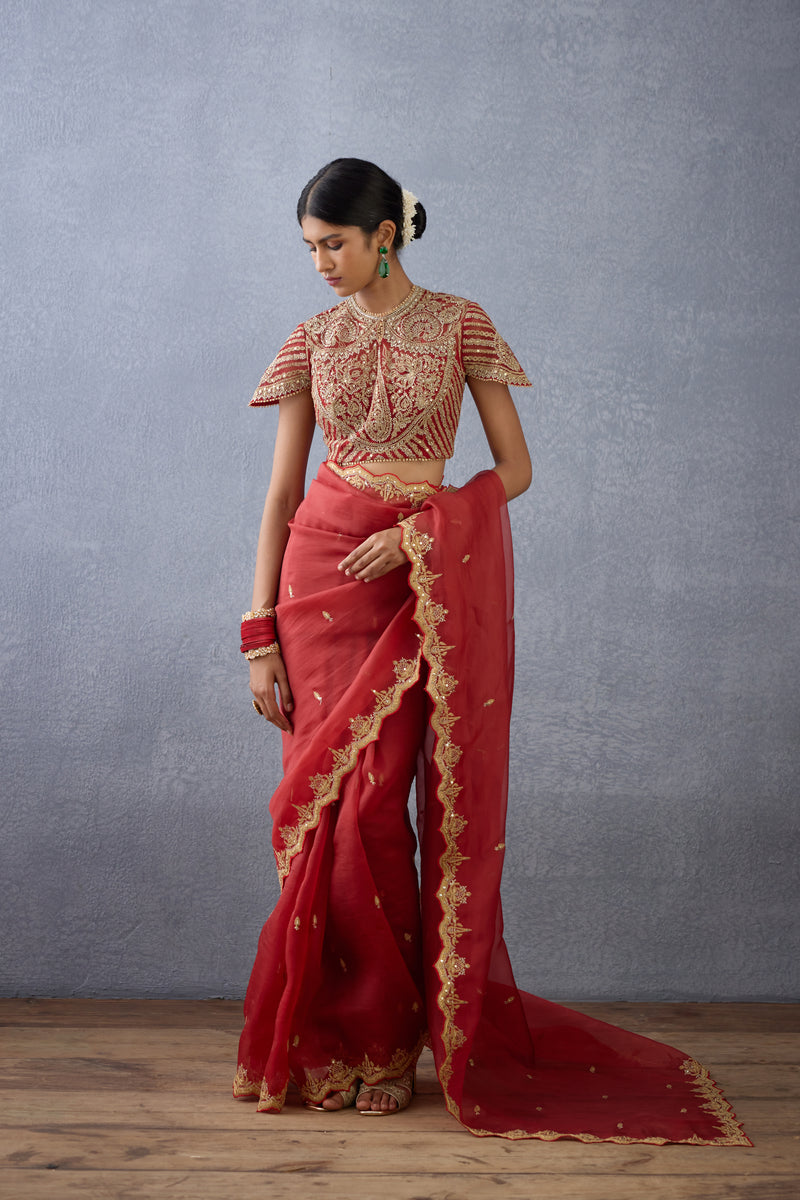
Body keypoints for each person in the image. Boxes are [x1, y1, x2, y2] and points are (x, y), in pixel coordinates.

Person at [233, 158, 750, 1145]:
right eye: (309, 248)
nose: (321, 264)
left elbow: (514, 469)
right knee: (326, 817)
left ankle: (386, 1041)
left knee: (376, 811)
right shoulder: (310, 340)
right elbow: (282, 495)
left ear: (385, 234)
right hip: (318, 583)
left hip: (415, 581)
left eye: (333, 244)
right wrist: (258, 633)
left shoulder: (460, 325)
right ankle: (328, 1041)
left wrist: (421, 531)